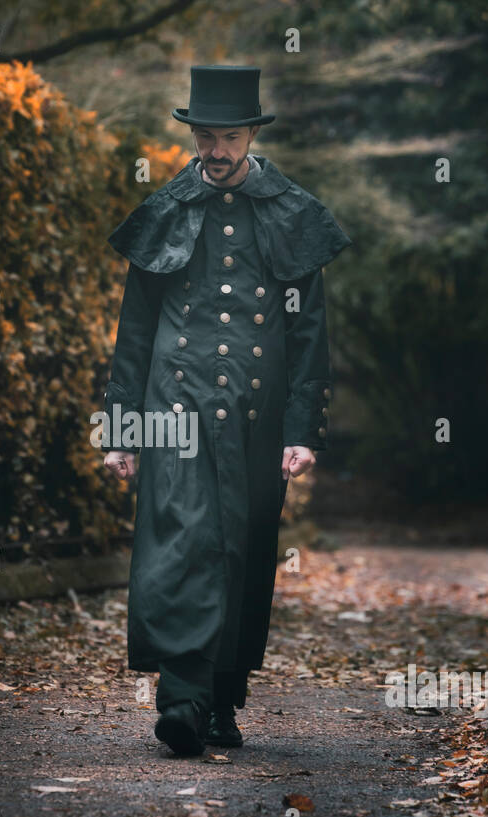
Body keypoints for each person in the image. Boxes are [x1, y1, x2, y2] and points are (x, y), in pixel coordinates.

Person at [100, 65, 351, 756]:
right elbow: (136, 330)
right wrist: (121, 429)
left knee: (241, 549)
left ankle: (222, 702)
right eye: (205, 136)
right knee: (181, 540)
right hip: (172, 404)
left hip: (256, 412)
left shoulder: (293, 213)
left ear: (251, 135)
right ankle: (182, 699)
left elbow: (308, 334)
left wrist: (303, 430)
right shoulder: (165, 210)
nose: (214, 150)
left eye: (228, 136)